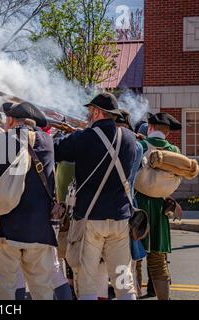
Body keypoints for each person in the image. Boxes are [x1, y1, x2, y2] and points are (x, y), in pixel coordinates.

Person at [0, 102, 72, 300]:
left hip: (5, 231)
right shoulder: (47, 142)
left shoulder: (1, 140)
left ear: (10, 119)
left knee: (6, 291)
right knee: (43, 291)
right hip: (40, 231)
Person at [54, 92, 137, 300]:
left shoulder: (84, 137)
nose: (88, 115)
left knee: (87, 281)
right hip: (120, 218)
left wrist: (71, 135)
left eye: (90, 111)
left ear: (98, 112)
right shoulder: (129, 138)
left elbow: (55, 150)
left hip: (91, 219)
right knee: (122, 280)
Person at [135, 112, 182, 300]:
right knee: (157, 260)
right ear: (168, 132)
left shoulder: (140, 146)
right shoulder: (175, 151)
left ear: (150, 127)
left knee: (135, 259)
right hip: (161, 206)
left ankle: (133, 295)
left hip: (138, 206)